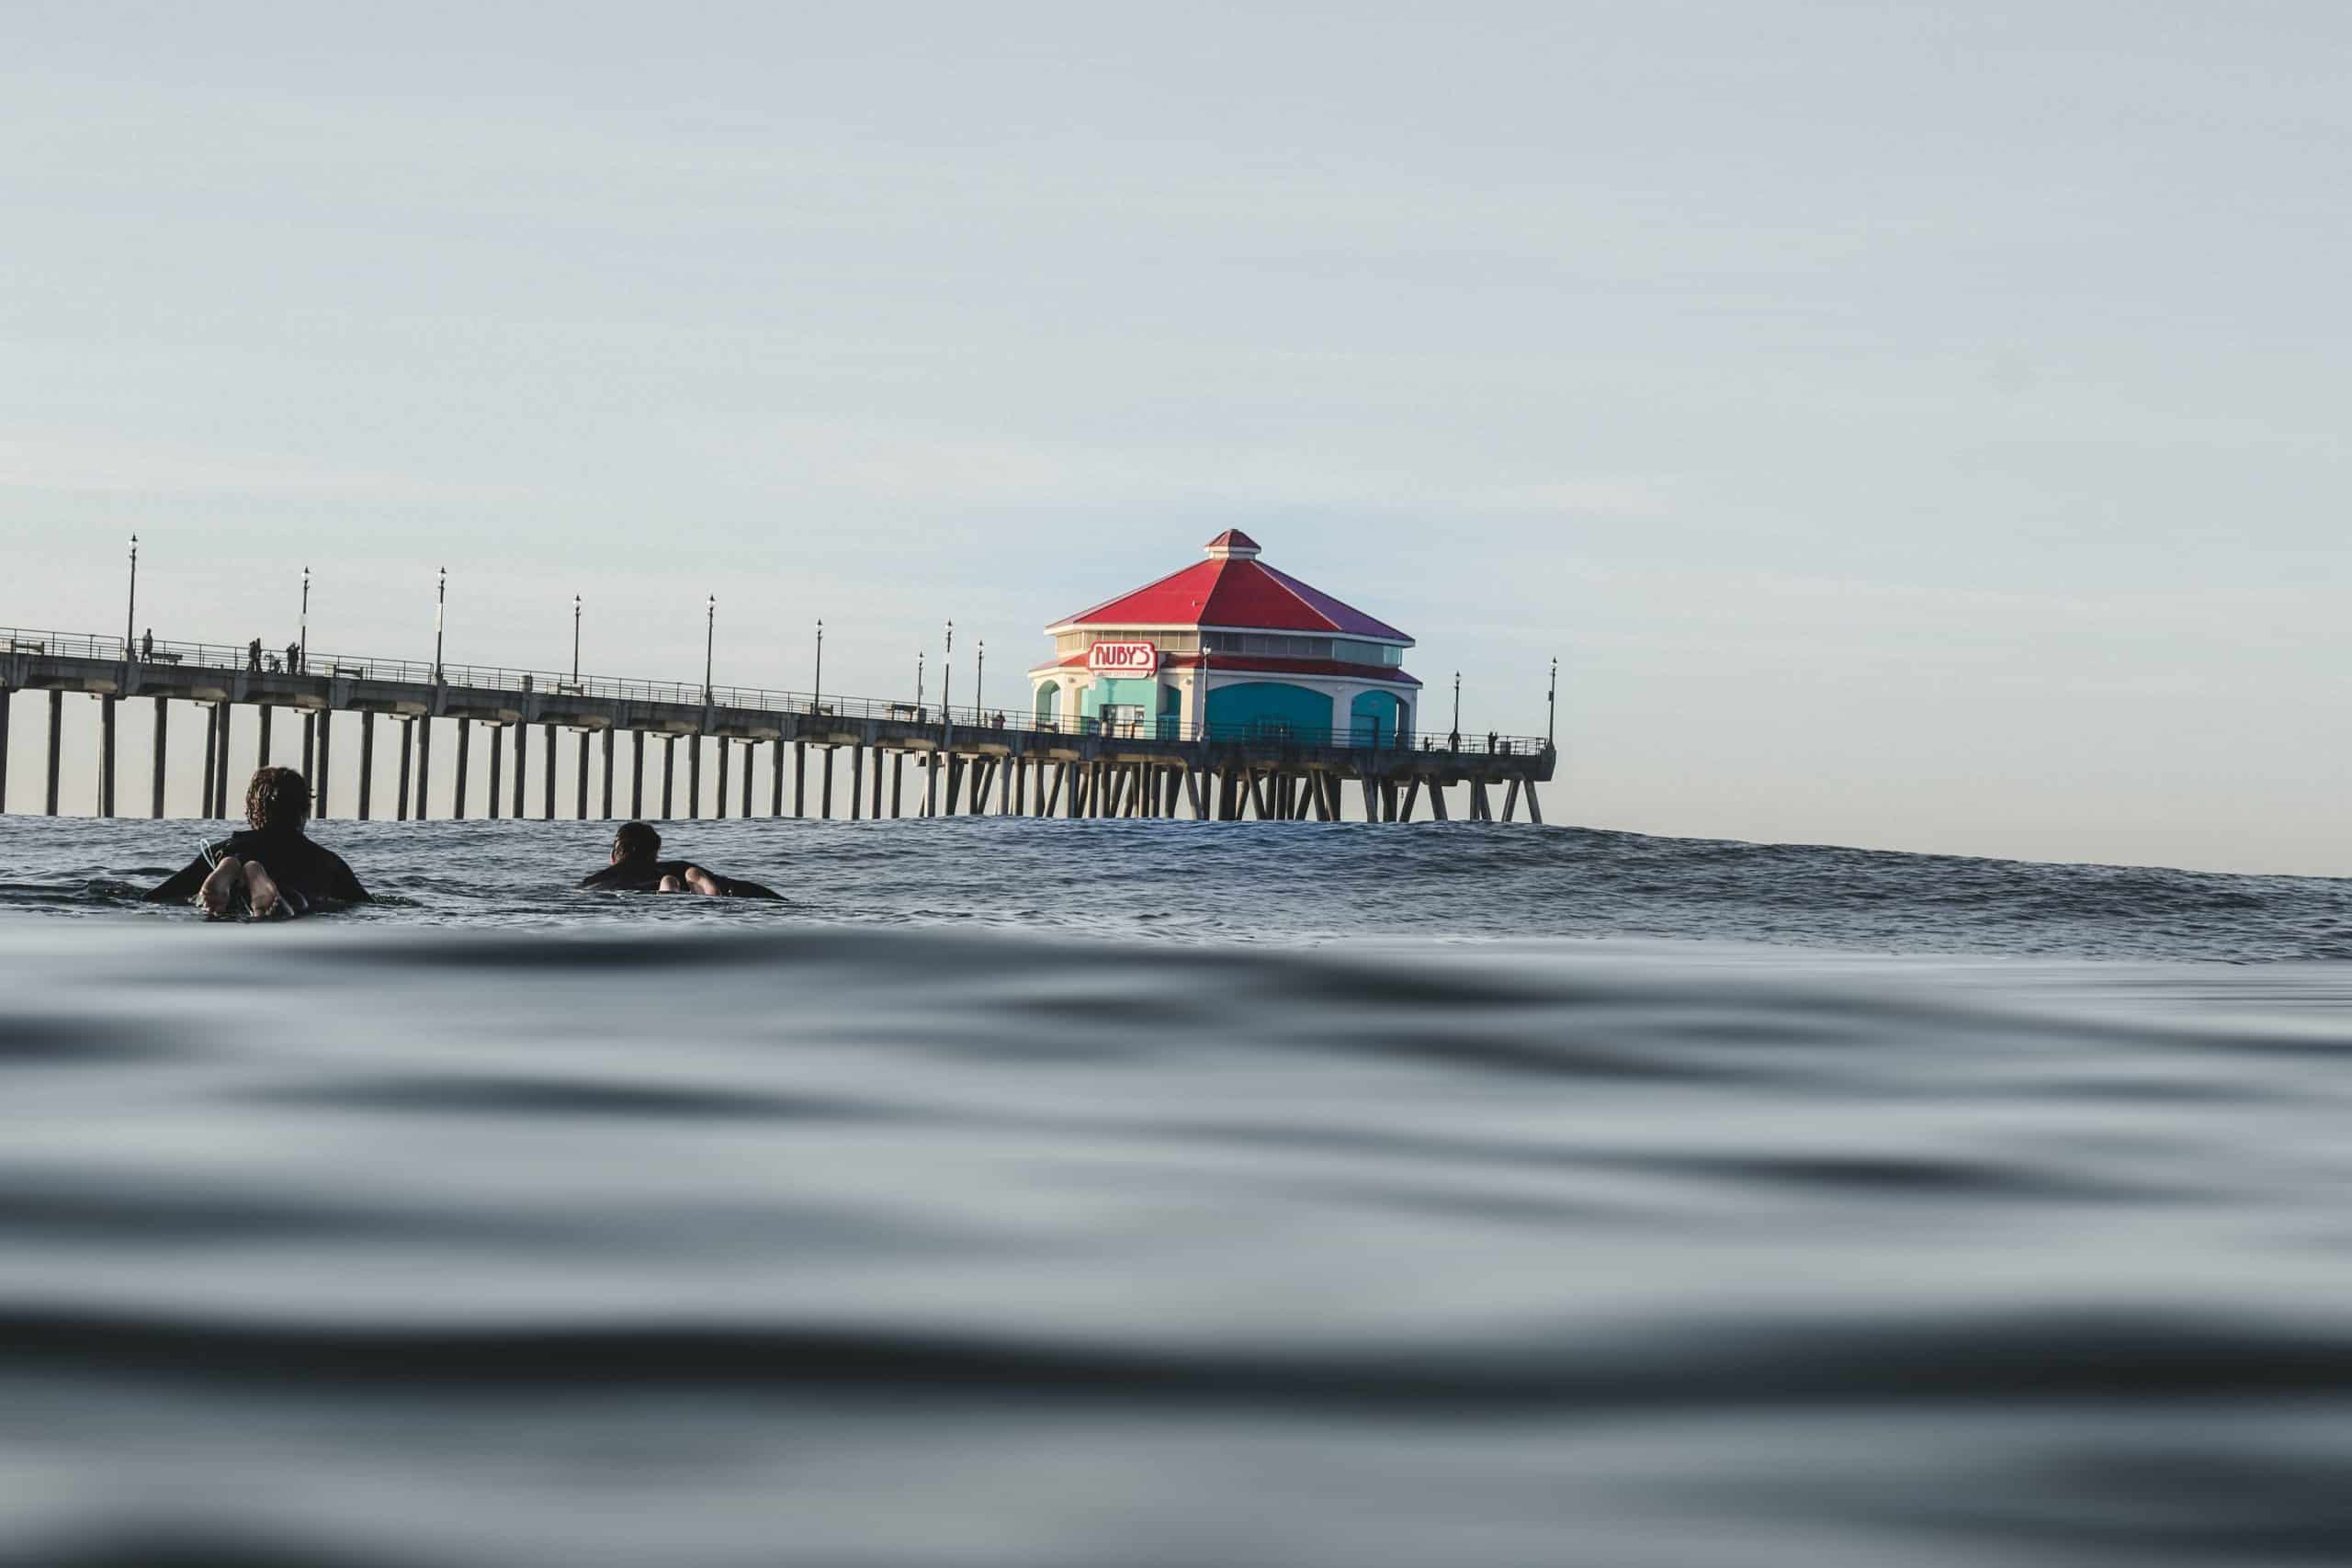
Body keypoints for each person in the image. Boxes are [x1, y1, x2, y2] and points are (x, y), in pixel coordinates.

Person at [144, 766, 369, 918]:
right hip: (289, 890)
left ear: (251, 813)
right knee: (294, 905)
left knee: (215, 905)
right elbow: (365, 905)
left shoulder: (220, 850)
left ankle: (233, 869)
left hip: (237, 854)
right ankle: (258, 879)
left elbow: (156, 896)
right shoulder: (326, 861)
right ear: (303, 813)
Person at [578, 822, 781, 899]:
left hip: (613, 888)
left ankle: (668, 890)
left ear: (613, 856)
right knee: (714, 883)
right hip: (678, 876)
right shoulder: (676, 867)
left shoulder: (591, 881)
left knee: (661, 892)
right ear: (654, 854)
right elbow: (740, 887)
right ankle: (686, 886)